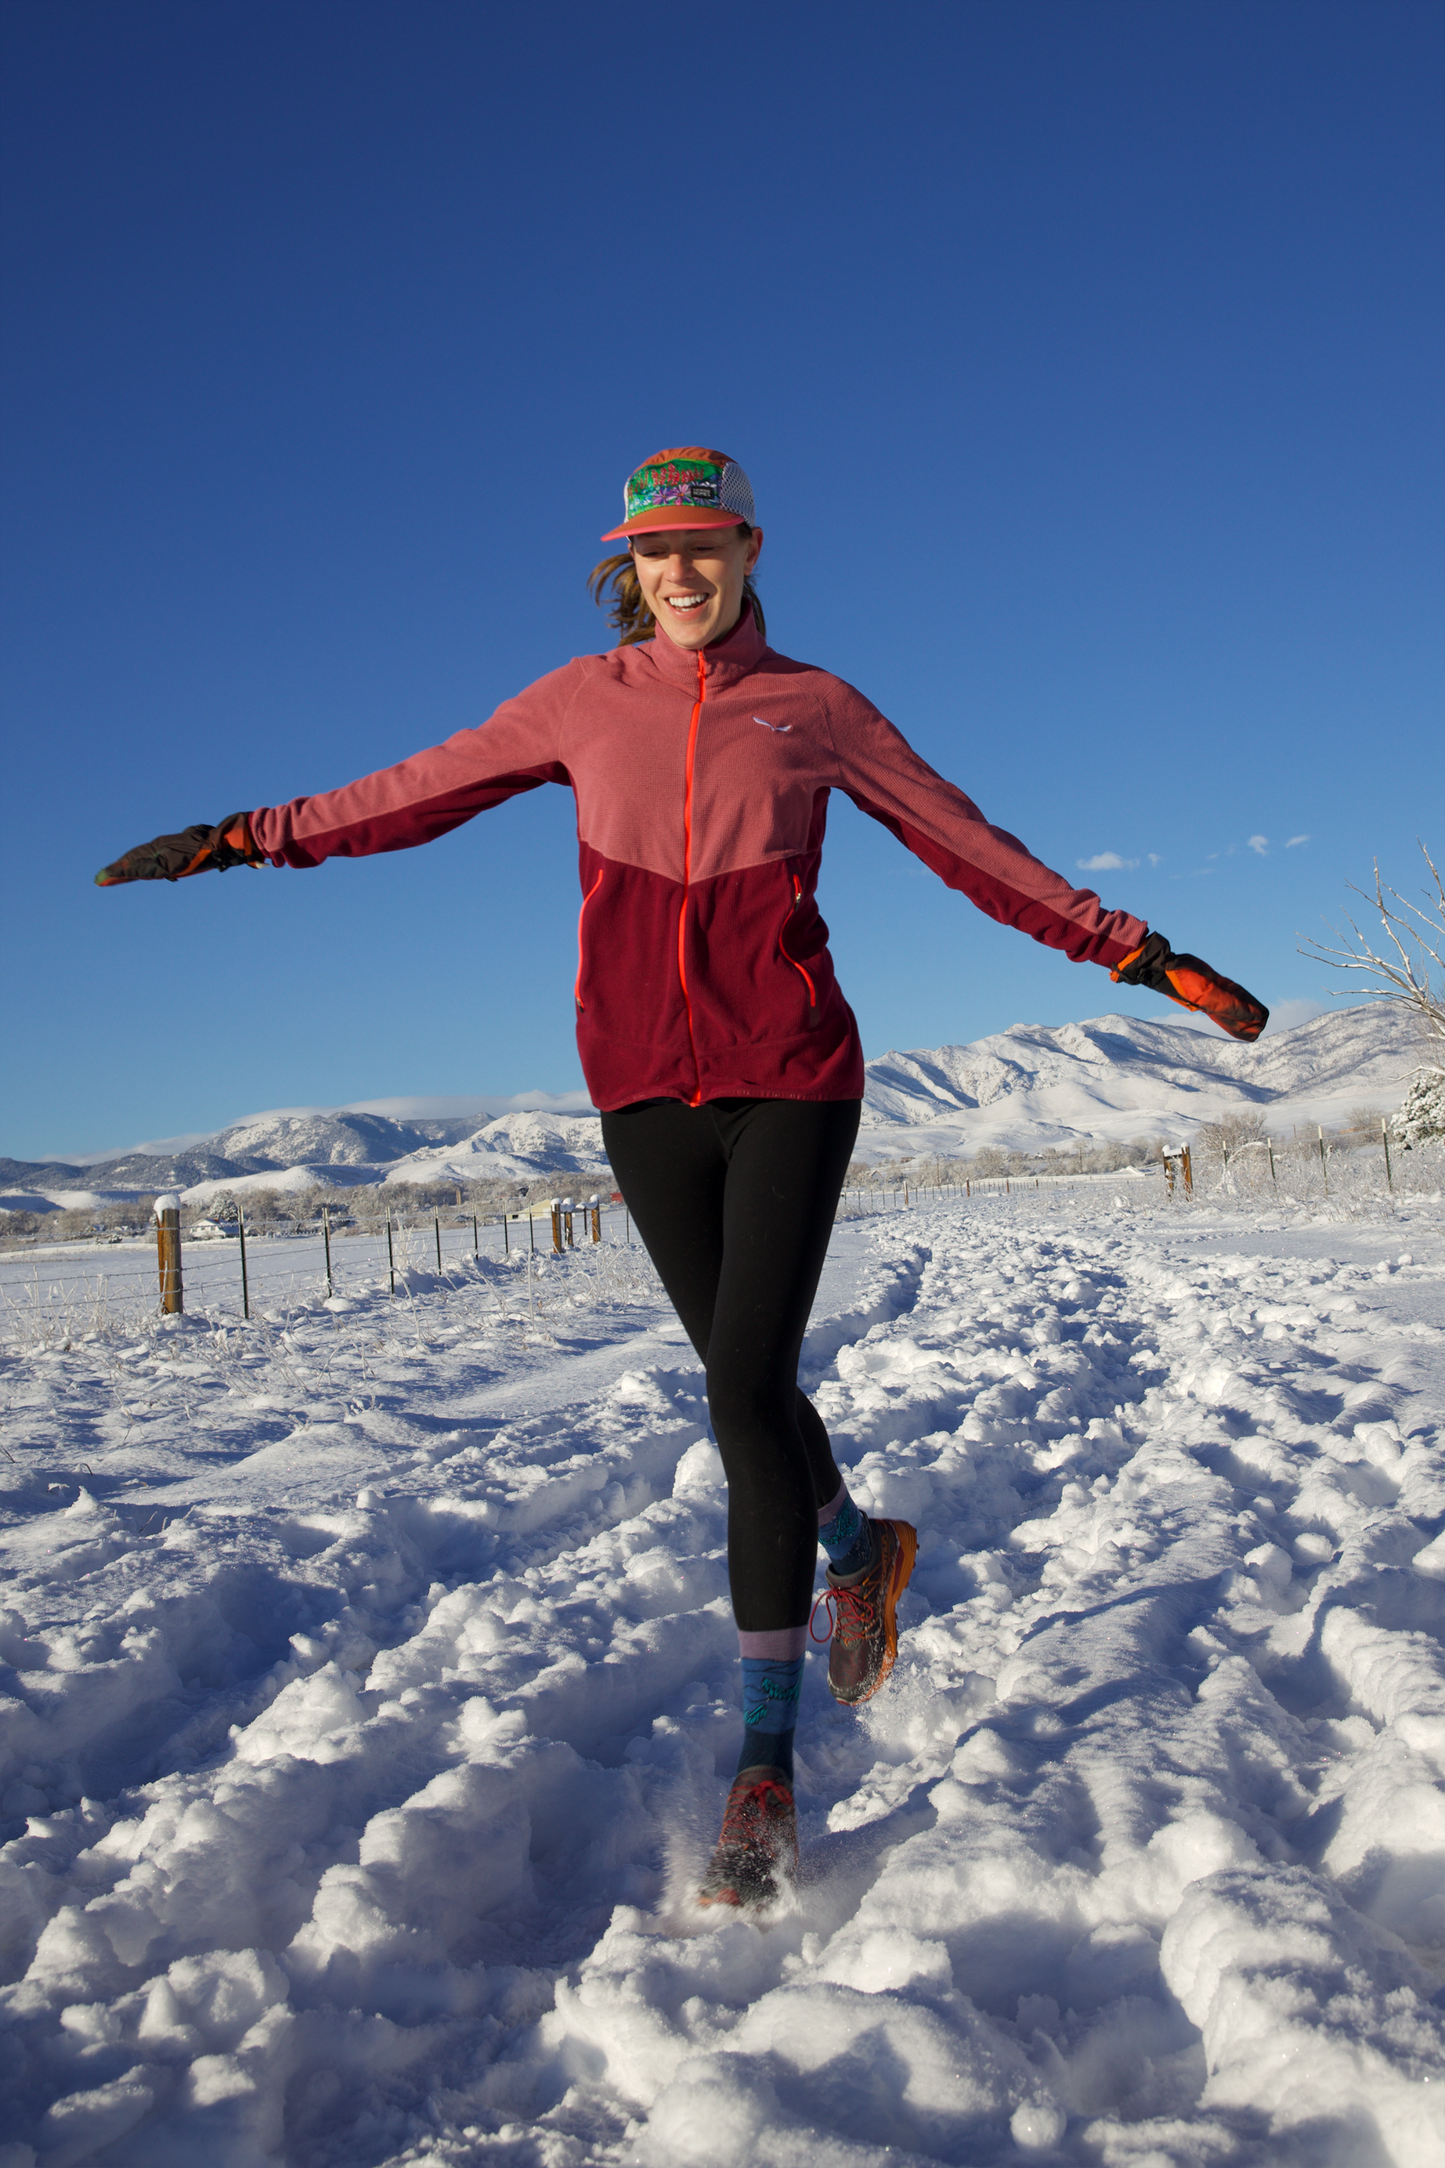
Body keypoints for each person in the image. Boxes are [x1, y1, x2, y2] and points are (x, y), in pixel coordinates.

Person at [96, 447, 1268, 1909]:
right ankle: (860, 1546)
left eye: (705, 547)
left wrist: (1139, 952)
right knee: (746, 1375)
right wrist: (242, 839)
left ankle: (764, 1766)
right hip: (641, 1090)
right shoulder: (578, 705)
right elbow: (416, 789)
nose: (682, 572)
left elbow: (973, 848)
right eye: (656, 552)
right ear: (629, 566)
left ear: (749, 549)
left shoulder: (819, 708)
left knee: (736, 1393)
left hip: (793, 1076)